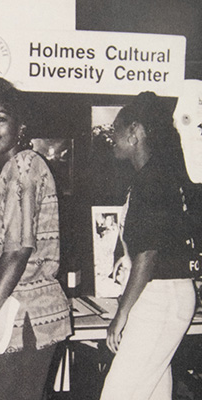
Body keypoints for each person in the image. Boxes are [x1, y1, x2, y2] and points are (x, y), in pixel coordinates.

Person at [0, 76, 72, 400]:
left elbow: (18, 250)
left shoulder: (23, 165)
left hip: (22, 320)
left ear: (21, 125)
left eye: (0, 118)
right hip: (24, 318)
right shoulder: (17, 168)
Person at [99, 92, 196, 400]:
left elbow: (147, 254)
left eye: (115, 128)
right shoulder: (160, 175)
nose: (110, 136)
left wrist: (121, 315)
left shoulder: (153, 179)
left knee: (117, 395)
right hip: (165, 296)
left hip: (160, 299)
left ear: (135, 131)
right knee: (153, 393)